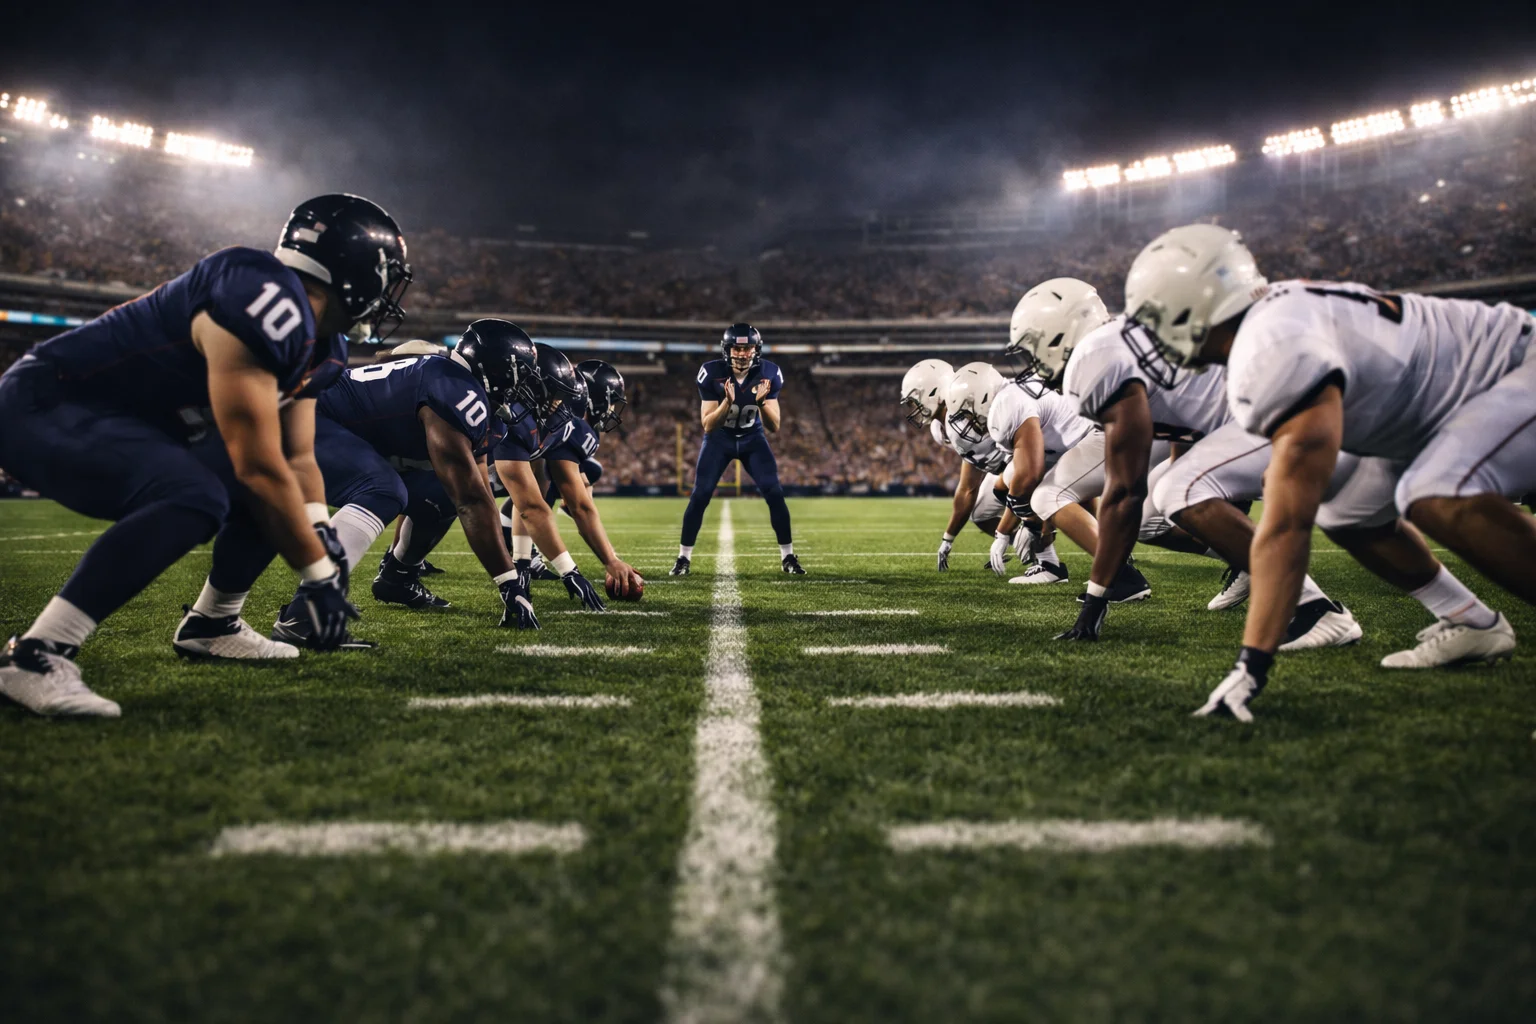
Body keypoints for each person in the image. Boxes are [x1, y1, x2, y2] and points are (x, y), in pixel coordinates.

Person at [0, 193, 408, 716]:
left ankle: (213, 623)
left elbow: (297, 457)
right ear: (357, 271)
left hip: (135, 424)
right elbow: (257, 465)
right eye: (387, 276)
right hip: (50, 402)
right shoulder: (261, 292)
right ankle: (38, 652)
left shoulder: (324, 347)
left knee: (266, 492)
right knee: (194, 495)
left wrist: (318, 531)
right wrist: (318, 575)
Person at [1122, 224, 1526, 721]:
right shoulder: (1271, 325)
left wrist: (1251, 665)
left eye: (1155, 318)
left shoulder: (1272, 347)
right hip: (1429, 407)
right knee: (1348, 511)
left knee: (1437, 490)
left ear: (1193, 307)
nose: (1151, 337)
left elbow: (1287, 524)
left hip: (1512, 371)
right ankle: (1471, 622)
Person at [1009, 276, 1361, 649]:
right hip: (1277, 410)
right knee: (1157, 509)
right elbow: (1185, 426)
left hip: (1286, 413)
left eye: (1034, 348)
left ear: (1062, 334)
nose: (1034, 364)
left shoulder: (1094, 360)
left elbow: (1124, 490)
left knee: (1177, 490)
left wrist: (1095, 603)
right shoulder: (1119, 343)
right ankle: (1252, 562)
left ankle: (1314, 608)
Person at [502, 358, 643, 598]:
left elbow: (566, 500)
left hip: (516, 494)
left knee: (548, 481)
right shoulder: (569, 426)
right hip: (490, 468)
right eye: (610, 402)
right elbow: (578, 507)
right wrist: (607, 560)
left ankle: (524, 559)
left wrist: (610, 556)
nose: (611, 411)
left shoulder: (565, 423)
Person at [671, 323, 802, 575]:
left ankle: (788, 557)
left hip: (753, 438)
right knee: (700, 495)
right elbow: (708, 425)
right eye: (737, 348)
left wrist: (762, 402)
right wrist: (727, 403)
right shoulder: (711, 373)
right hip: (720, 439)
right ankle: (683, 558)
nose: (742, 354)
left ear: (756, 350)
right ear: (727, 350)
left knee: (774, 492)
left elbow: (774, 426)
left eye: (748, 348)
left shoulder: (769, 373)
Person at [490, 344, 613, 610]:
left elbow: (536, 497)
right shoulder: (514, 419)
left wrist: (521, 561)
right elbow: (536, 506)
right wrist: (570, 570)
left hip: (506, 484)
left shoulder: (558, 422)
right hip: (479, 472)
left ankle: (526, 559)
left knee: (543, 483)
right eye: (557, 396)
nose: (561, 406)